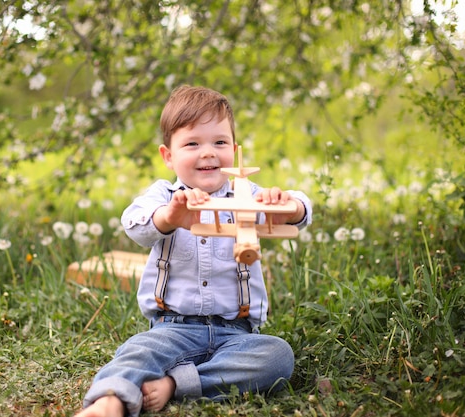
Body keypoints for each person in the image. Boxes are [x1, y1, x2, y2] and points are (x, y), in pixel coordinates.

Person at [75, 85, 312, 417]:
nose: (208, 153)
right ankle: (109, 402)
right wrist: (171, 216)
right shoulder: (164, 195)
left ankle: (176, 384)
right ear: (168, 155)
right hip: (174, 328)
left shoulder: (246, 193)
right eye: (192, 143)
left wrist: (288, 206)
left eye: (219, 142)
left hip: (236, 334)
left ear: (235, 149)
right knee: (138, 351)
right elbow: (135, 224)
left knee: (277, 356)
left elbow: (300, 212)